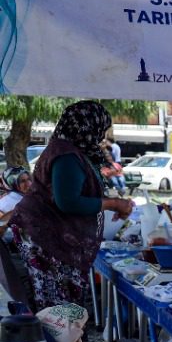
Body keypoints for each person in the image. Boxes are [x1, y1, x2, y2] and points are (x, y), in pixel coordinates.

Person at [3, 101, 134, 309]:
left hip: (49, 232)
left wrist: (112, 204)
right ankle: (61, 341)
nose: (101, 136)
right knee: (58, 307)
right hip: (45, 235)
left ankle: (67, 340)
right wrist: (113, 203)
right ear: (88, 126)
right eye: (100, 129)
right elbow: (68, 202)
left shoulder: (69, 151)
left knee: (59, 304)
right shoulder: (66, 156)